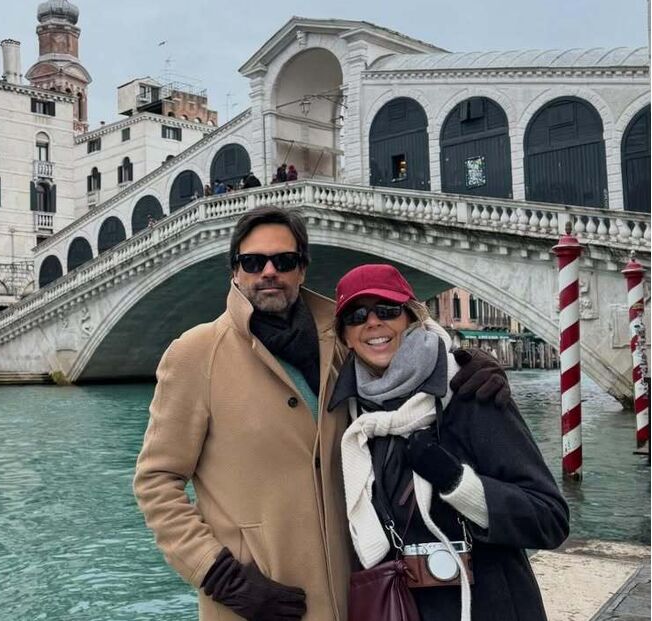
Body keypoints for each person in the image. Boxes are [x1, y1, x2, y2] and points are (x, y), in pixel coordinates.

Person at [133, 206, 511, 621]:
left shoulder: (342, 342)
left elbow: (404, 354)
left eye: (285, 261)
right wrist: (221, 574)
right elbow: (157, 482)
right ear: (235, 271)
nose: (269, 271)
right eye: (254, 261)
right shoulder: (196, 353)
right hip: (256, 599)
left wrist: (467, 362)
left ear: (302, 270)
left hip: (356, 593)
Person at [329, 264, 568, 621]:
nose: (373, 322)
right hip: (401, 607)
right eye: (357, 315)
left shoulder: (470, 391)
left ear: (412, 318)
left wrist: (459, 484)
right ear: (345, 336)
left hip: (488, 606)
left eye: (388, 310)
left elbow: (550, 518)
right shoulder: (348, 416)